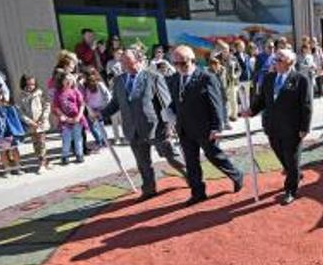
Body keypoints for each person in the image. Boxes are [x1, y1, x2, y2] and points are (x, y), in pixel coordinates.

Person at [99, 48, 186, 201]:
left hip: (155, 127)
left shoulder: (153, 77)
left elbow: (166, 103)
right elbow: (115, 103)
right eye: (122, 61)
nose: (124, 64)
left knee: (172, 156)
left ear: (139, 60)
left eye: (128, 60)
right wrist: (101, 114)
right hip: (132, 129)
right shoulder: (119, 81)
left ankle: (192, 177)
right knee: (143, 163)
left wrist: (168, 126)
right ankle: (149, 189)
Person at [167, 45, 243, 206]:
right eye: (176, 63)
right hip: (184, 128)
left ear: (192, 61)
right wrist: (170, 112)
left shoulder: (206, 77)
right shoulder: (174, 79)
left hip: (205, 128)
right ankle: (198, 193)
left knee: (214, 156)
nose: (179, 67)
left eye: (183, 63)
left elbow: (216, 103)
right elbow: (176, 101)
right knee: (191, 161)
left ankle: (237, 175)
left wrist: (217, 127)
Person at [244, 49, 312, 205]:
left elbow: (306, 105)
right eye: (274, 60)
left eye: (279, 60)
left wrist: (304, 127)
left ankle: (291, 190)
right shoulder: (269, 78)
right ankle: (295, 173)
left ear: (290, 62)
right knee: (281, 156)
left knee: (291, 158)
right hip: (273, 126)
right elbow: (262, 99)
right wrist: (251, 110)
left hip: (292, 128)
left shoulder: (300, 80)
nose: (275, 63)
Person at [17, 75, 51, 172]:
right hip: (31, 125)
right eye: (28, 84)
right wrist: (29, 121)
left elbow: (46, 105)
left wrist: (43, 118)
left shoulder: (39, 93)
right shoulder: (21, 96)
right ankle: (43, 161)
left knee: (41, 143)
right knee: (35, 144)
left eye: (32, 84)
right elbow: (20, 112)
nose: (30, 86)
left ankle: (42, 163)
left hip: (40, 123)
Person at [53, 73, 87, 165]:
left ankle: (79, 154)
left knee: (78, 138)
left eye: (70, 80)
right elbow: (56, 107)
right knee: (66, 138)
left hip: (77, 119)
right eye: (66, 80)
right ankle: (65, 156)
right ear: (62, 81)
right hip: (65, 120)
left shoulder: (75, 91)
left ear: (73, 81)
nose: (68, 82)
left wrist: (79, 116)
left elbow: (82, 105)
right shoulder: (58, 93)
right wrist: (65, 118)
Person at [0, 85, 25, 176]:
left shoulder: (7, 105)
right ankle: (7, 170)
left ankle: (18, 168)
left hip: (10, 131)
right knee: (2, 151)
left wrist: (18, 130)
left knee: (14, 149)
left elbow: (14, 118)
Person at [82, 69, 112, 151]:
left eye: (85, 76)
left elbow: (108, 96)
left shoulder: (99, 84)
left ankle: (103, 142)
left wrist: (105, 107)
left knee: (100, 126)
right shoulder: (85, 86)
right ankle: (100, 141)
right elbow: (85, 99)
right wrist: (89, 110)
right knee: (92, 127)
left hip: (100, 108)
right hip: (91, 108)